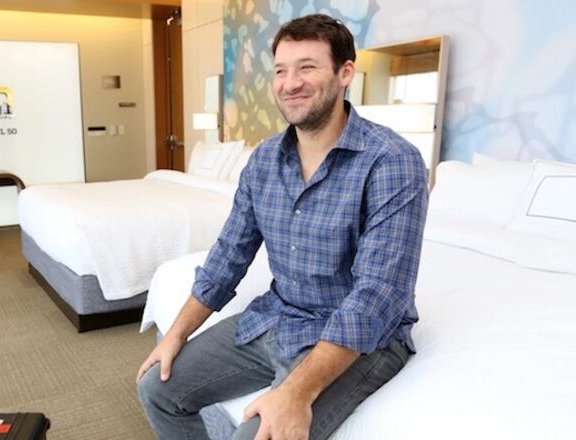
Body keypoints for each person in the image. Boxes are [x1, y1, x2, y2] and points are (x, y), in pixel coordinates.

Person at [136, 13, 428, 440]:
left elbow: (377, 297)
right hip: (280, 315)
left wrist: (294, 394)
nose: (290, 83)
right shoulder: (265, 160)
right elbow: (228, 256)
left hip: (362, 338)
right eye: (280, 70)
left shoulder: (392, 161)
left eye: (307, 67)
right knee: (156, 390)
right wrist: (175, 335)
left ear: (346, 72)